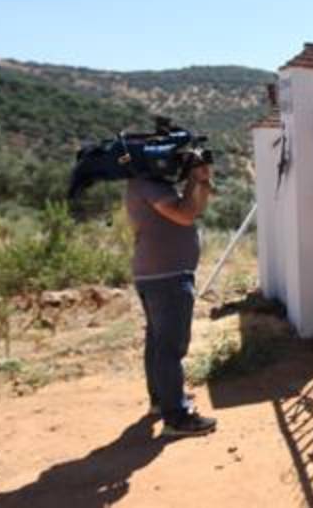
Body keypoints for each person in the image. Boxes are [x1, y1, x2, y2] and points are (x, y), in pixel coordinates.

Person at [124, 158, 217, 437]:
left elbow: (196, 208)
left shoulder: (152, 185)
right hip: (166, 277)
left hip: (161, 275)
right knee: (170, 348)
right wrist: (191, 179)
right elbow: (185, 215)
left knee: (158, 342)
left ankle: (161, 401)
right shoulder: (149, 185)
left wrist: (200, 180)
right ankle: (176, 417)